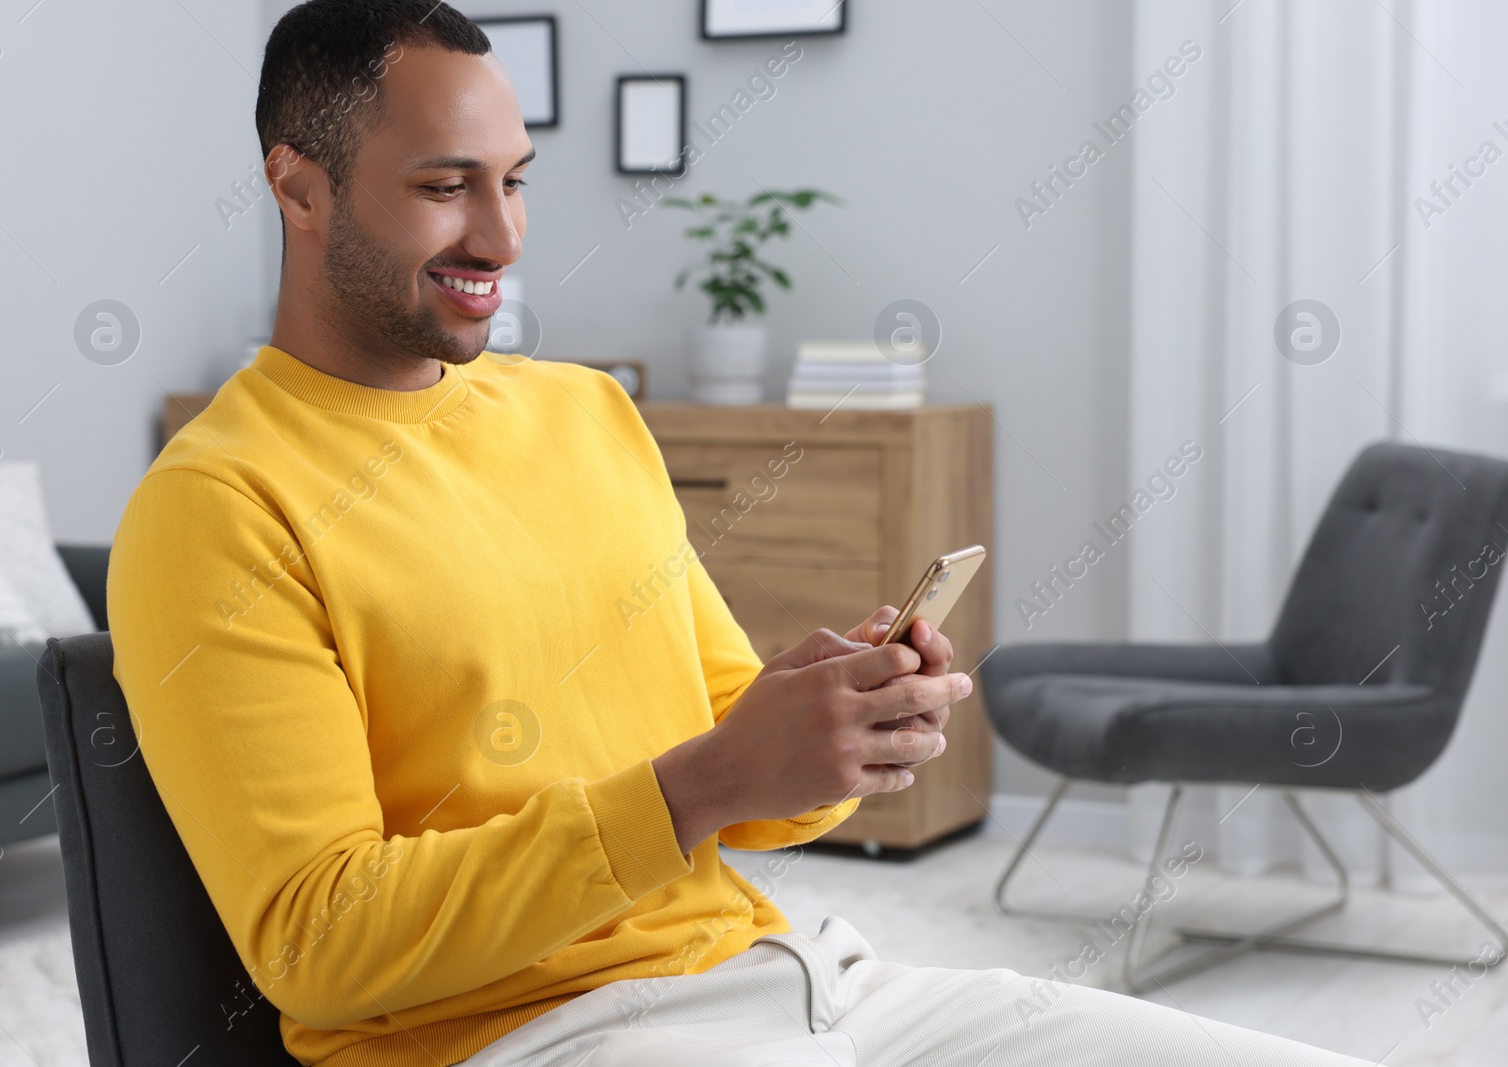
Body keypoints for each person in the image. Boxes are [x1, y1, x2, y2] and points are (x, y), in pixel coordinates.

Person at [106, 3, 1374, 1064]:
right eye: (445, 188)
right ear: (298, 187)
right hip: (538, 1038)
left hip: (809, 985)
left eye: (515, 183)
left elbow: (743, 786)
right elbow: (322, 948)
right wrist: (709, 778)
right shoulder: (220, 502)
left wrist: (825, 735)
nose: (499, 237)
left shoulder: (585, 409)